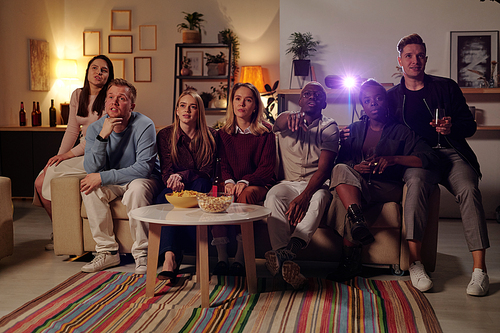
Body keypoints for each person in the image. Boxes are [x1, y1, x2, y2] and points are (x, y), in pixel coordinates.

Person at [387, 33, 490, 296]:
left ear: (426, 59)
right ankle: (415, 264)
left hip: (452, 153)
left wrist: (452, 126)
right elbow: (380, 127)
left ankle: (480, 271)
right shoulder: (392, 96)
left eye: (420, 55)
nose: (415, 60)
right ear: (400, 61)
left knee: (468, 189)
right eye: (409, 56)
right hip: (420, 159)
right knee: (416, 183)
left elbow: (470, 125)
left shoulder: (446, 87)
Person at [326, 79, 438, 285]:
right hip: (358, 184)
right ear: (363, 106)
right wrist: (357, 166)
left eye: (378, 98)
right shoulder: (355, 129)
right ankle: (357, 220)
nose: (374, 103)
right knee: (340, 170)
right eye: (368, 100)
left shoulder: (401, 131)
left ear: (386, 102)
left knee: (341, 193)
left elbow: (429, 157)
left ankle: (349, 261)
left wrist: (394, 159)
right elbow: (342, 161)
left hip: (386, 187)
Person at [80, 79, 161, 275]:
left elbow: (143, 169)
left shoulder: (144, 124)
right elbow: (91, 169)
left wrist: (102, 177)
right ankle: (107, 252)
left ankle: (142, 253)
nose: (114, 102)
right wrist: (102, 137)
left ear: (131, 106)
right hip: (115, 181)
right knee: (89, 188)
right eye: (110, 97)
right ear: (105, 102)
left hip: (143, 179)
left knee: (137, 189)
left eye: (121, 98)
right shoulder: (95, 129)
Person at [33, 55, 114, 248]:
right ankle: (62, 231)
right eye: (94, 68)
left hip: (99, 152)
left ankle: (63, 235)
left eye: (104, 70)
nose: (98, 73)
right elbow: (71, 130)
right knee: (40, 181)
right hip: (79, 150)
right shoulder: (78, 94)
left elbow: (97, 138)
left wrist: (67, 156)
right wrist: (57, 158)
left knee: (47, 179)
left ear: (109, 76)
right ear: (87, 72)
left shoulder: (110, 98)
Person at [264, 81, 338, 289]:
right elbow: (278, 122)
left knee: (322, 197)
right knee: (273, 195)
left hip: (315, 184)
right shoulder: (285, 119)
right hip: (287, 183)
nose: (312, 96)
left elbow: (324, 170)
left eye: (318, 94)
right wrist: (289, 118)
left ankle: (291, 249)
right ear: (300, 100)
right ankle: (282, 255)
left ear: (324, 103)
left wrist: (304, 197)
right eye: (307, 94)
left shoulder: (330, 127)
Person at [212, 82, 276, 276]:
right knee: (215, 196)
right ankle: (222, 258)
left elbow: (267, 168)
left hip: (258, 183)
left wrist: (245, 181)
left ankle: (240, 258)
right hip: (232, 181)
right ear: (232, 103)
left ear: (255, 105)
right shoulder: (223, 133)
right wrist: (230, 181)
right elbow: (222, 164)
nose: (242, 104)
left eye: (248, 100)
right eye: (238, 99)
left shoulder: (266, 132)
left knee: (245, 195)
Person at [155, 90, 217, 282]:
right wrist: (172, 179)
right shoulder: (165, 134)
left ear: (199, 112)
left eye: (193, 106)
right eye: (183, 105)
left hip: (200, 184)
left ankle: (199, 255)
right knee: (164, 199)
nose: (187, 110)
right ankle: (169, 258)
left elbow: (206, 172)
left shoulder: (211, 135)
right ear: (176, 110)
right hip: (174, 185)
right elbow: (166, 169)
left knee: (199, 185)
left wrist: (181, 175)